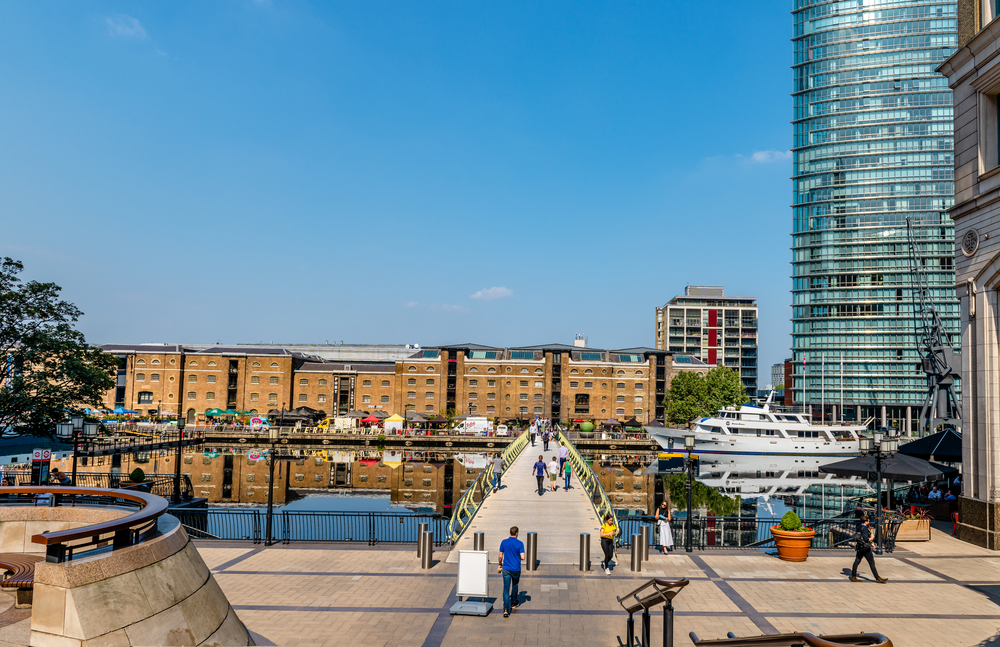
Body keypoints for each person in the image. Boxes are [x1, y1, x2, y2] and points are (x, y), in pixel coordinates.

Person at [851, 511, 887, 584]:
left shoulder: (858, 527)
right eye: (868, 521)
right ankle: (877, 578)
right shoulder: (864, 529)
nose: (869, 521)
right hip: (865, 548)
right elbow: (866, 539)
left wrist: (871, 544)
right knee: (871, 563)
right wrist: (872, 538)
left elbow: (860, 538)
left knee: (857, 561)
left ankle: (853, 576)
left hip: (860, 547)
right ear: (865, 521)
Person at [498, 526, 525, 618]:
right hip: (516, 569)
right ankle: (513, 602)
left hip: (506, 568)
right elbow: (523, 557)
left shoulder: (504, 542)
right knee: (514, 586)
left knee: (506, 588)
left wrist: (500, 564)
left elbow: (500, 556)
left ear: (509, 533)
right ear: (517, 534)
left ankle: (505, 608)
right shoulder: (520, 543)